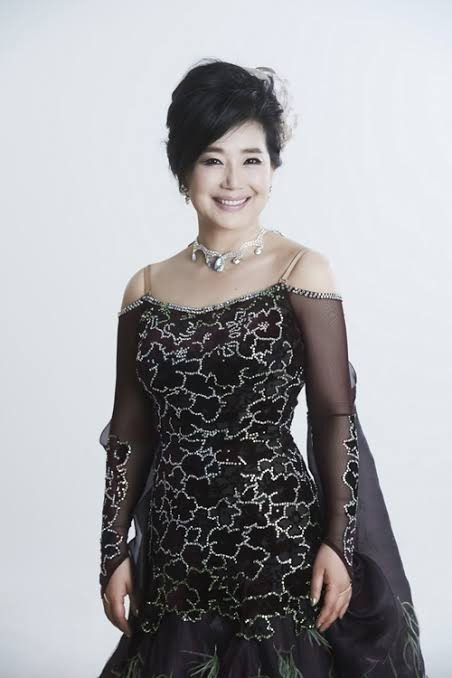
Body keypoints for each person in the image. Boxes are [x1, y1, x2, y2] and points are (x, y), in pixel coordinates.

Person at [96, 58, 427, 678]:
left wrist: (339, 542)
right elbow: (130, 430)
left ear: (273, 169)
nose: (233, 180)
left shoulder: (301, 270)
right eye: (212, 159)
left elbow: (333, 414)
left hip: (276, 543)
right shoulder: (146, 287)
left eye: (252, 159)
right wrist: (113, 553)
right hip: (175, 550)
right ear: (183, 169)